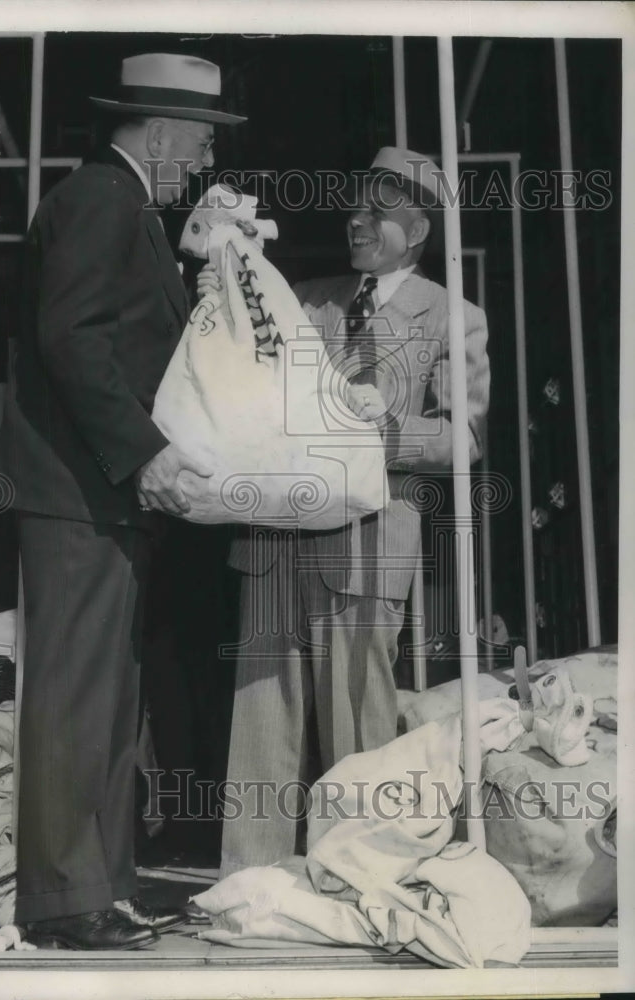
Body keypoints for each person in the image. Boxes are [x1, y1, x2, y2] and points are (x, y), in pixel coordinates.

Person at [0, 52, 245, 949]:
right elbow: (73, 339)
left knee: (105, 698)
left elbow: (120, 335)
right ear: (163, 130)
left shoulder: (126, 207)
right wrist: (144, 455)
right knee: (75, 698)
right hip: (79, 490)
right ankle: (64, 902)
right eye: (204, 142)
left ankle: (103, 886)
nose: (207, 163)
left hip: (98, 496)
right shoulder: (103, 198)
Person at [218, 147, 490, 876]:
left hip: (370, 542)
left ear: (420, 226)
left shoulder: (453, 318)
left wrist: (386, 427)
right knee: (261, 715)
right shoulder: (304, 298)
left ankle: (358, 873)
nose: (357, 220)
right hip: (275, 533)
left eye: (379, 209)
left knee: (357, 719)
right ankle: (249, 881)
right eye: (356, 206)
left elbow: (464, 438)